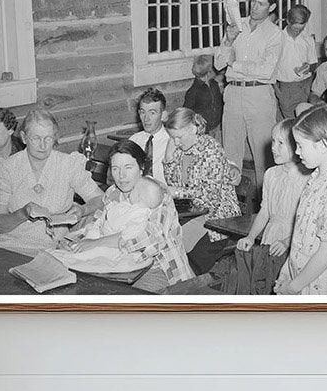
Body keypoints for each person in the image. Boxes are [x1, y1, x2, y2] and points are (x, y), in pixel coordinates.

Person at [60, 141, 192, 292]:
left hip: (158, 269)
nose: (121, 176)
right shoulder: (112, 193)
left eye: (128, 167)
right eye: (115, 168)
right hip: (119, 265)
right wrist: (74, 241)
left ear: (141, 168)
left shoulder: (156, 192)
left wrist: (96, 243)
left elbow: (151, 239)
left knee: (122, 302)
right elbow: (98, 223)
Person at [0, 109, 103, 255]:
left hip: (54, 246)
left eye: (48, 138)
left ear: (55, 138)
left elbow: (100, 199)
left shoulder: (68, 164)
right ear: (24, 137)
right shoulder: (8, 168)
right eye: (36, 138)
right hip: (10, 244)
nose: (42, 145)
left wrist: (82, 210)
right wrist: (22, 213)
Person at [274, 106, 327, 296]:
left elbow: (326, 253)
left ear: (322, 145)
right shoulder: (317, 177)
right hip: (301, 277)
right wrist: (287, 272)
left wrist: (294, 287)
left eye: (300, 145)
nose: (296, 152)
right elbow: (301, 235)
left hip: (322, 285)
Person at [225, 118, 308, 294]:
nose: (273, 147)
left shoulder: (306, 178)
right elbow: (265, 212)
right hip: (270, 236)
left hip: (295, 239)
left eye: (280, 143)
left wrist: (287, 242)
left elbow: (308, 222)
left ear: (297, 145)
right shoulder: (271, 174)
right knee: (265, 283)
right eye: (273, 141)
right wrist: (251, 236)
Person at [213, 0, 283, 187]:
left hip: (259, 94)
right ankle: (228, 207)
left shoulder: (275, 34)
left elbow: (265, 70)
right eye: (253, 1)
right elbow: (218, 63)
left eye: (261, 4)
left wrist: (234, 63)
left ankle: (266, 207)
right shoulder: (237, 25)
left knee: (265, 157)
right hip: (233, 92)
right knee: (230, 154)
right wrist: (228, 40)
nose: (254, 7)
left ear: (271, 7)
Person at [163, 106, 242, 274]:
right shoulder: (180, 150)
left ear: (192, 129)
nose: (175, 142)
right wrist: (169, 158)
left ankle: (195, 288)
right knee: (170, 246)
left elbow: (210, 197)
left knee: (193, 257)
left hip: (220, 217)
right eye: (172, 138)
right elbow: (174, 182)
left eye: (178, 137)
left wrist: (178, 192)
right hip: (197, 214)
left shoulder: (211, 150)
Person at [274, 4, 319, 119]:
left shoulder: (307, 40)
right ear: (288, 21)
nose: (298, 32)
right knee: (290, 124)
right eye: (295, 29)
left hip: (305, 86)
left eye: (301, 29)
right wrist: (278, 92)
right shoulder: (277, 39)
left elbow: (314, 63)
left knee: (304, 123)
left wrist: (308, 67)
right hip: (285, 88)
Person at [128, 88, 171, 183]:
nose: (146, 119)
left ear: (163, 115)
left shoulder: (171, 141)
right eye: (143, 112)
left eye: (152, 113)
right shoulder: (134, 140)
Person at [183, 54, 223, 137]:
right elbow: (186, 112)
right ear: (209, 72)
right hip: (202, 130)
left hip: (215, 125)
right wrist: (196, 117)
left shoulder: (214, 85)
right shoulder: (194, 91)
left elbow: (219, 103)